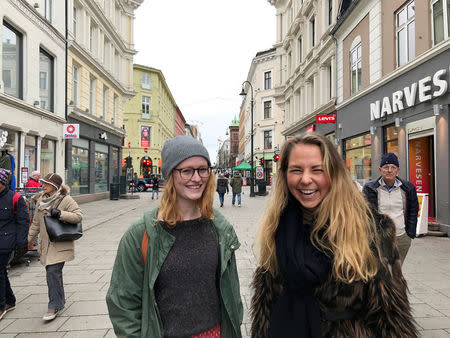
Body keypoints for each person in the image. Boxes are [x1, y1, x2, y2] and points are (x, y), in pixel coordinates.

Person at [250, 133, 417, 338]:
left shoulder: (371, 230)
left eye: (317, 170)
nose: (305, 179)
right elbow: (266, 308)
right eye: (296, 170)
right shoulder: (277, 228)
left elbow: (393, 319)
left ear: (333, 174)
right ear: (285, 175)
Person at [107, 135, 243, 337]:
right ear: (170, 175)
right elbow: (123, 303)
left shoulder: (220, 228)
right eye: (186, 171)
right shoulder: (141, 234)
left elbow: (232, 293)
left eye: (202, 169)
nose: (196, 178)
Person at [28, 173, 82, 321]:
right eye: (42, 183)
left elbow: (78, 216)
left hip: (60, 243)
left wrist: (59, 213)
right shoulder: (40, 200)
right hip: (45, 244)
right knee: (53, 274)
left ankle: (54, 305)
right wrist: (26, 240)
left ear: (55, 186)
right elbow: (36, 224)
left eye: (46, 183)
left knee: (52, 272)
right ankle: (60, 301)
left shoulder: (65, 199)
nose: (42, 185)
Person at [363, 152, 419, 265]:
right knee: (380, 271)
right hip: (379, 238)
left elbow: (413, 210)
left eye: (393, 167)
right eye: (386, 167)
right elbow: (365, 213)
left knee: (397, 272)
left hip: (401, 237)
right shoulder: (370, 188)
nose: (389, 170)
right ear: (380, 169)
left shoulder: (408, 188)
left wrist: (410, 233)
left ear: (397, 170)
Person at [0, 169, 28, 320]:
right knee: (2, 272)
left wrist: (22, 243)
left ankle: (1, 305)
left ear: (2, 183)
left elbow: (23, 222)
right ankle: (10, 301)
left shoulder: (16, 198)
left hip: (6, 242)